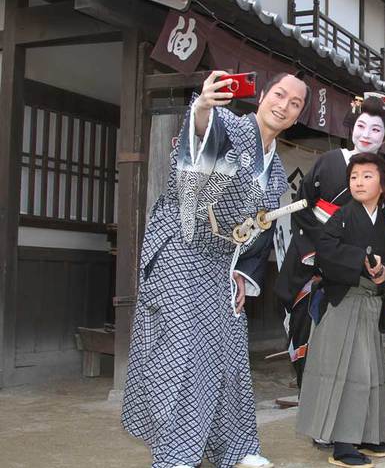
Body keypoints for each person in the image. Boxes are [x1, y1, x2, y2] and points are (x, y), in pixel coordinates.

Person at [121, 71, 310, 468]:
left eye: (295, 104)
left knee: (229, 349)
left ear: (298, 116)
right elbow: (198, 142)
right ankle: (174, 455)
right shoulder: (226, 123)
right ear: (262, 95)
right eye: (279, 95)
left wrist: (243, 273)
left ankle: (236, 448)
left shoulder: (276, 170)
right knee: (182, 348)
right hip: (181, 242)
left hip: (223, 260)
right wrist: (203, 106)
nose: (284, 106)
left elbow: (259, 230)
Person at [275, 93, 385, 390]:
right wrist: (321, 253)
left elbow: (384, 230)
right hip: (313, 255)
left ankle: (345, 403)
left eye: (376, 129)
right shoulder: (329, 161)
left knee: (351, 343)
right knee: (306, 328)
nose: (366, 134)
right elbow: (302, 206)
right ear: (351, 127)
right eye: (361, 126)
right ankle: (310, 395)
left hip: (355, 267)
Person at [295, 152, 385, 468]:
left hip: (371, 303)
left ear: (383, 185)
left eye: (367, 176)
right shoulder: (341, 217)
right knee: (349, 373)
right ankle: (343, 443)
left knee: (370, 371)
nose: (359, 182)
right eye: (354, 177)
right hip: (344, 302)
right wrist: (362, 259)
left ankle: (369, 435)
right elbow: (326, 251)